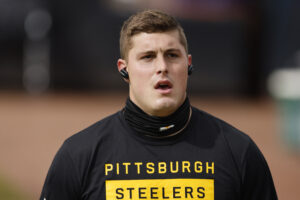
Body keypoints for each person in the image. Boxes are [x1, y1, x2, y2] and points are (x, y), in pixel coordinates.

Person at [40, 9, 277, 200]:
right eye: (148, 57)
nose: (162, 67)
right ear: (124, 69)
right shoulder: (79, 155)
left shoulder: (238, 151)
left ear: (189, 64)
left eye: (172, 55)